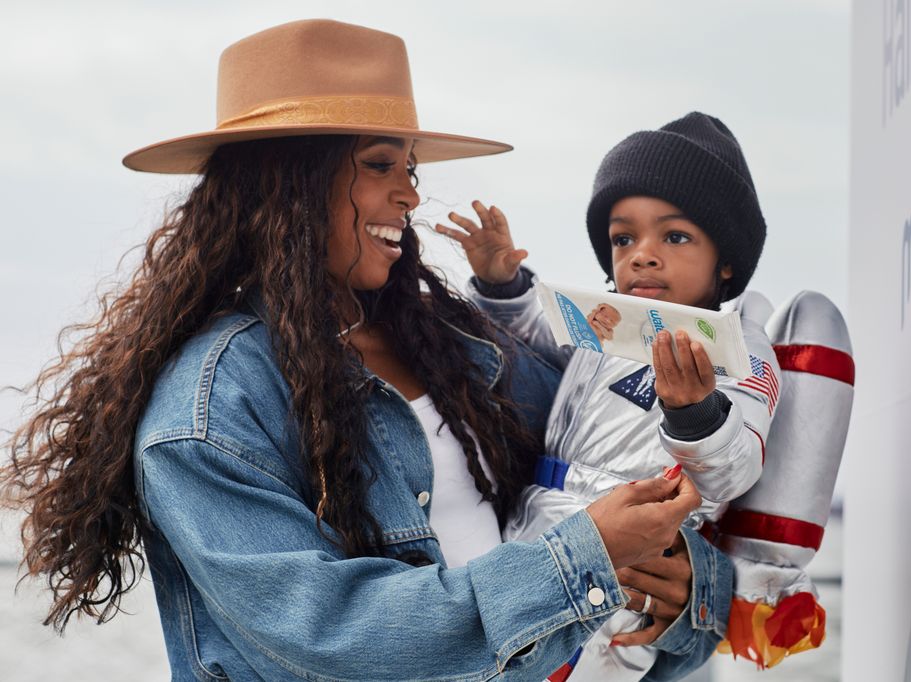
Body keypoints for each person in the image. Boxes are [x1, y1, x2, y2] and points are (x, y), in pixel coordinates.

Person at [0, 20, 735, 681]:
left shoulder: (458, 346)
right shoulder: (209, 407)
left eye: (410, 167)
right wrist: (581, 562)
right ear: (291, 181)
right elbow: (335, 638)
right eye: (381, 165)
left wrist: (684, 585)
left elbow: (611, 464)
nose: (410, 195)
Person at [438, 113, 778, 680]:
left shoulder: (737, 346)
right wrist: (505, 286)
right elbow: (538, 342)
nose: (643, 254)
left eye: (674, 236)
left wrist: (695, 412)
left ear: (726, 261)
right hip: (535, 522)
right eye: (625, 237)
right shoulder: (607, 321)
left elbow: (734, 469)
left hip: (632, 553)